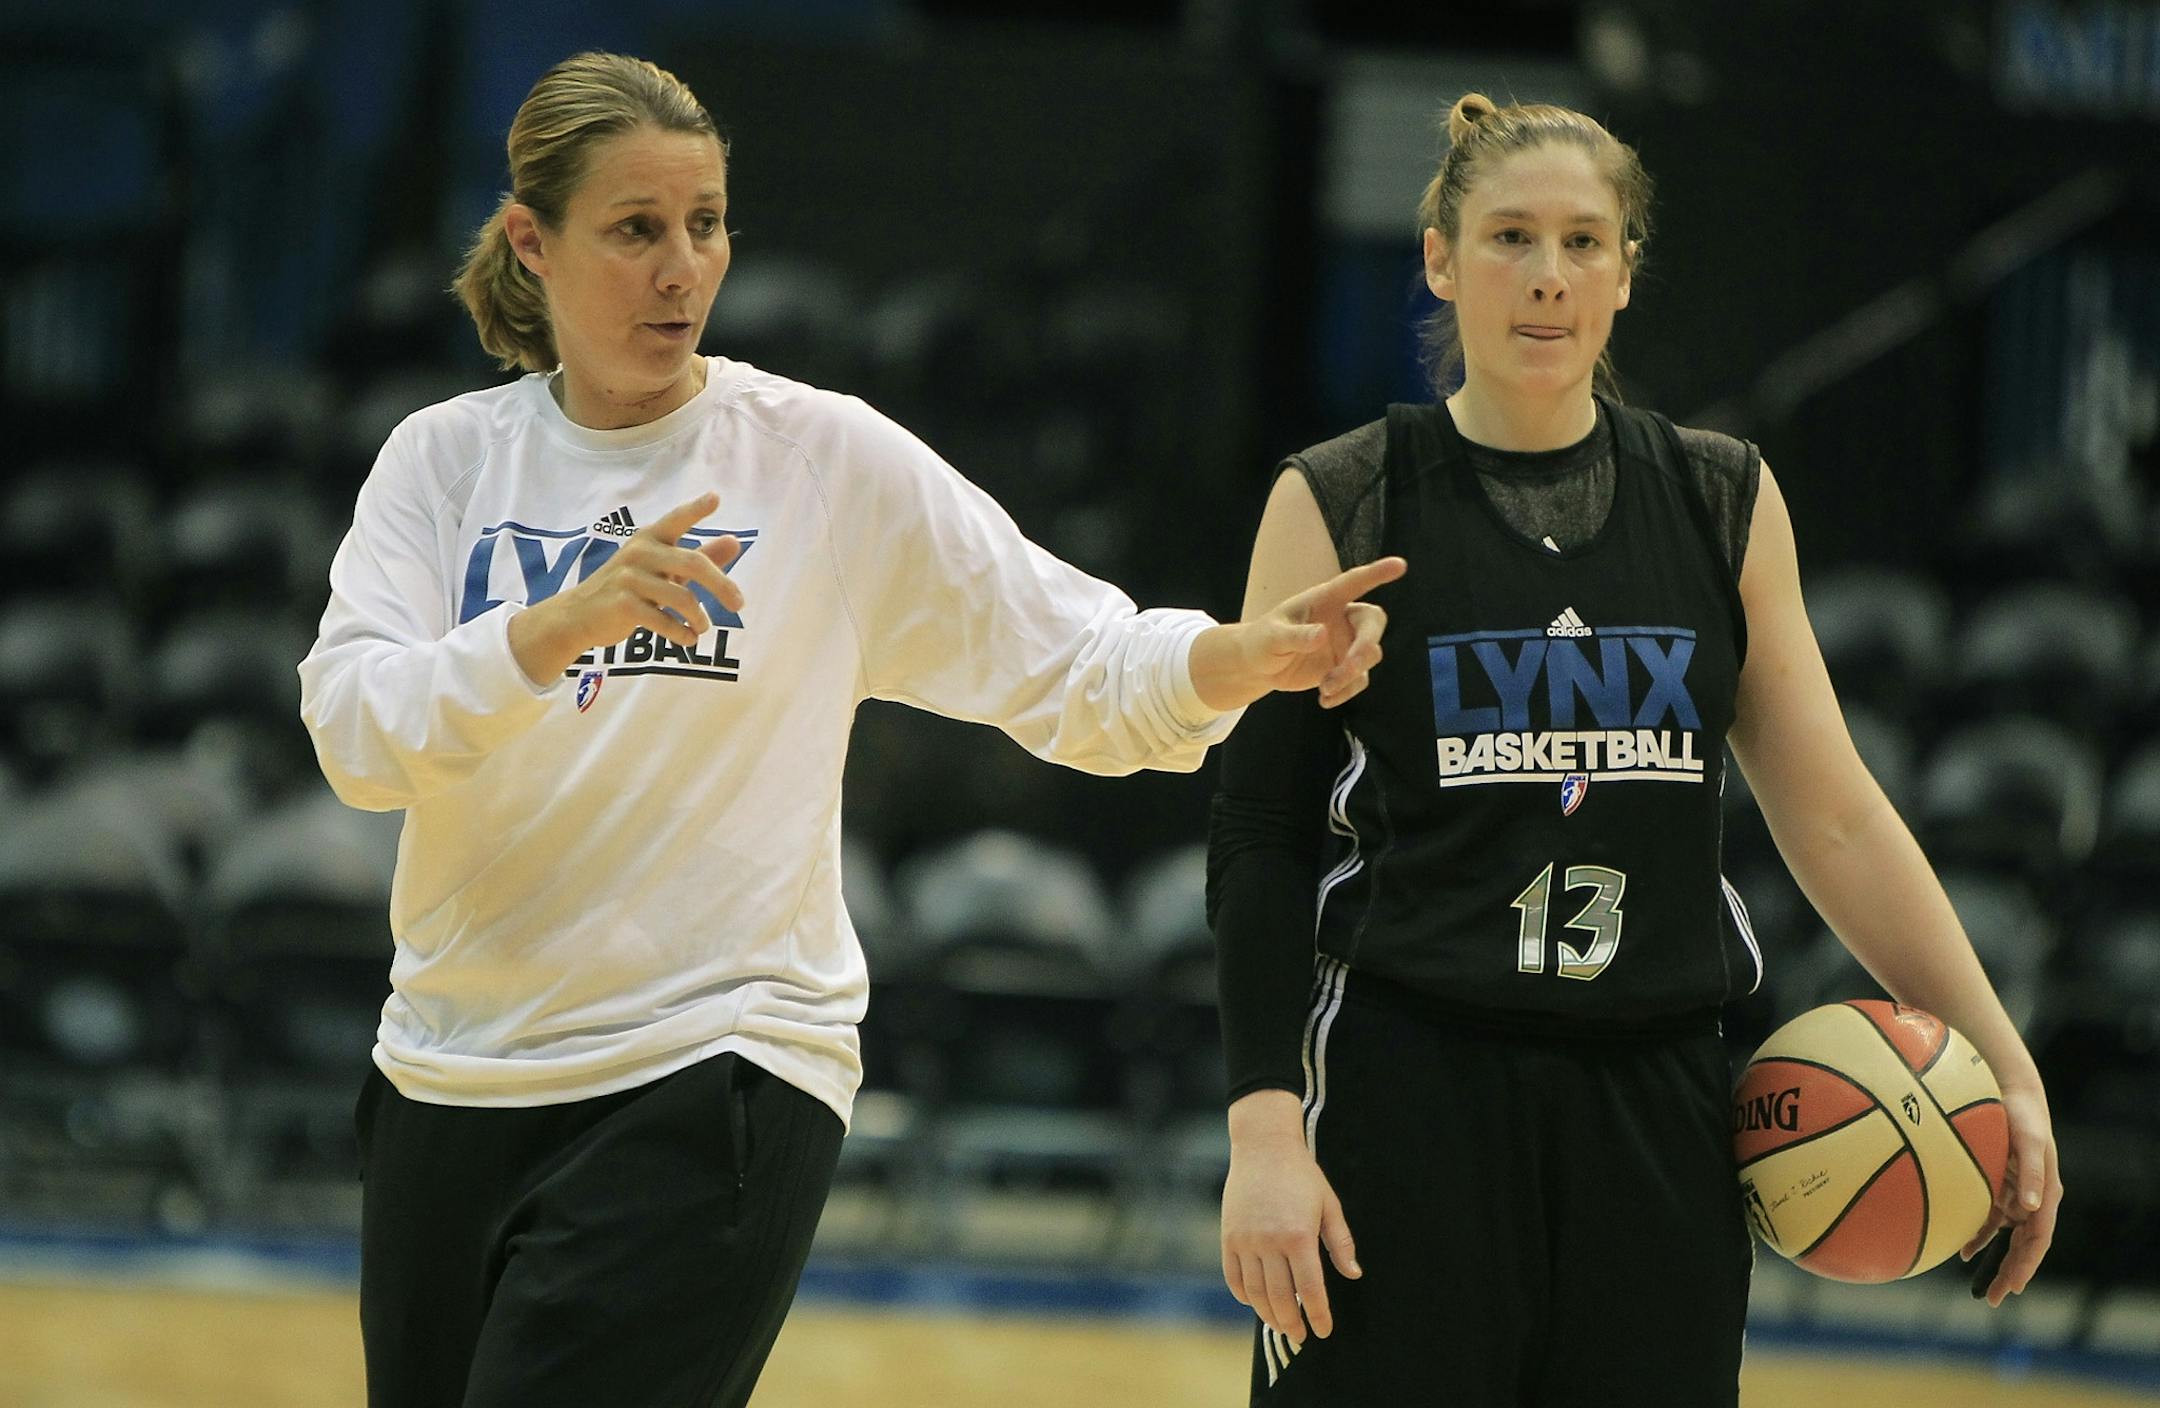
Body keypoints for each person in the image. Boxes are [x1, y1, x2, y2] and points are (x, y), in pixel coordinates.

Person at [298, 51, 1401, 1408]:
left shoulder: (815, 458)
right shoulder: (444, 459)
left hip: (714, 1068)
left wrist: (1237, 659)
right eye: (636, 229)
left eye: (704, 224)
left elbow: (1067, 656)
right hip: (446, 1074)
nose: (681, 268)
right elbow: (354, 737)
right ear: (532, 242)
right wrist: (545, 630)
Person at [1207, 92, 2063, 1406]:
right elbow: (1262, 834)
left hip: (1658, 1105)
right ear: (1439, 259)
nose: (1546, 278)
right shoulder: (1342, 496)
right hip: (1408, 1091)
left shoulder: (1721, 497)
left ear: (1624, 269)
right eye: (1507, 239)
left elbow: (1832, 812)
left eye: (1581, 242)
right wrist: (1265, 1123)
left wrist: (2004, 1059)